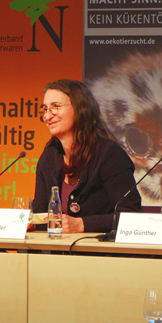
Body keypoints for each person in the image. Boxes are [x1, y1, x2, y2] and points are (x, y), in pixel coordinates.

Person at [32, 79, 141, 233]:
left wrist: (82, 224)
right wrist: (31, 223)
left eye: (55, 107)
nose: (47, 116)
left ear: (80, 109)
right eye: (45, 109)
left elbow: (130, 216)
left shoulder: (110, 155)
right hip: (58, 247)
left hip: (100, 248)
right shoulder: (49, 156)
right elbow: (40, 213)